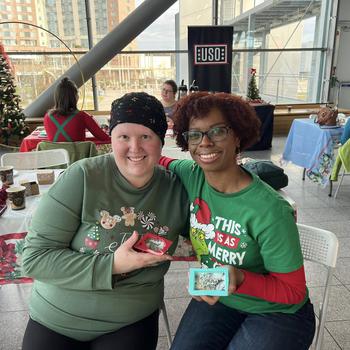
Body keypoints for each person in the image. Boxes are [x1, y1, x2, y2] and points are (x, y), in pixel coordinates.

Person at [21, 92, 189, 350]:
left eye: (145, 136)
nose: (134, 148)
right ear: (111, 139)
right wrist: (111, 265)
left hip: (127, 319)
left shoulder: (177, 190)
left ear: (160, 139)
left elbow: (211, 239)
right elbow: (35, 259)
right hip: (56, 318)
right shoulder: (83, 176)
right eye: (124, 137)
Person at [159, 92, 315, 350]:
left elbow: (293, 291)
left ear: (238, 137)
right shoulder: (193, 174)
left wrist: (241, 278)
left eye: (218, 131)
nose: (205, 143)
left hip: (278, 312)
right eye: (195, 134)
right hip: (223, 298)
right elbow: (160, 160)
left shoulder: (269, 211)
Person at [43, 77, 110, 142]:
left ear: (57, 97)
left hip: (56, 153)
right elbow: (104, 138)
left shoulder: (47, 117)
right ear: (75, 97)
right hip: (80, 153)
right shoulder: (82, 116)